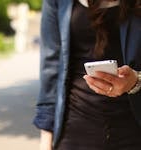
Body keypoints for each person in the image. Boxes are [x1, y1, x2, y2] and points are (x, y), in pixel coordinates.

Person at [33, 0, 141, 149]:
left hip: (133, 131)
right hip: (74, 131)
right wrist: (46, 140)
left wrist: (136, 81)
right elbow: (51, 68)